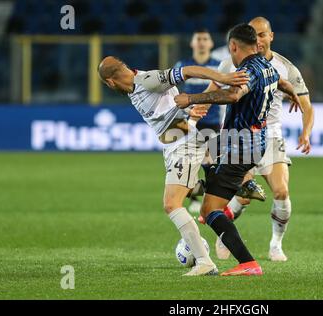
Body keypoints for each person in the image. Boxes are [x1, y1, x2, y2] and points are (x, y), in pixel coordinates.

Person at [98, 56, 249, 276]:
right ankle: (230, 188)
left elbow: (187, 71)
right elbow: (169, 105)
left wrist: (222, 77)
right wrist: (188, 113)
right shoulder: (135, 89)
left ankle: (204, 261)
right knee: (186, 196)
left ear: (110, 82)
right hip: (173, 148)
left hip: (184, 146)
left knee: (171, 203)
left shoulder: (147, 80)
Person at [174, 24, 301, 276]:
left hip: (240, 145)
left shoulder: (248, 70)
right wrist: (293, 94)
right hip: (252, 142)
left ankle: (248, 263)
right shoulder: (268, 66)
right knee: (205, 151)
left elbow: (233, 96)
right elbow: (282, 83)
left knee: (209, 210)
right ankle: (239, 184)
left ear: (233, 46)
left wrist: (191, 98)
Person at [207, 17, 315, 262]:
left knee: (281, 191)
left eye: (263, 35)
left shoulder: (284, 66)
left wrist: (305, 133)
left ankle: (276, 243)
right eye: (254, 36)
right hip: (240, 135)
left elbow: (307, 105)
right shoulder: (230, 64)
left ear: (271, 36)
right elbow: (212, 91)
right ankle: (224, 234)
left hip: (271, 134)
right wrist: (196, 109)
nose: (259, 41)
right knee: (243, 195)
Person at [173, 29, 223, 214]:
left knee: (211, 162)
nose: (201, 42)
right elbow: (175, 93)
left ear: (210, 44)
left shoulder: (218, 66)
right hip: (190, 120)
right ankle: (194, 196)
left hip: (212, 121)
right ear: (192, 43)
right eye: (198, 39)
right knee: (188, 161)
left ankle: (208, 197)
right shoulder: (183, 66)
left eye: (205, 39)